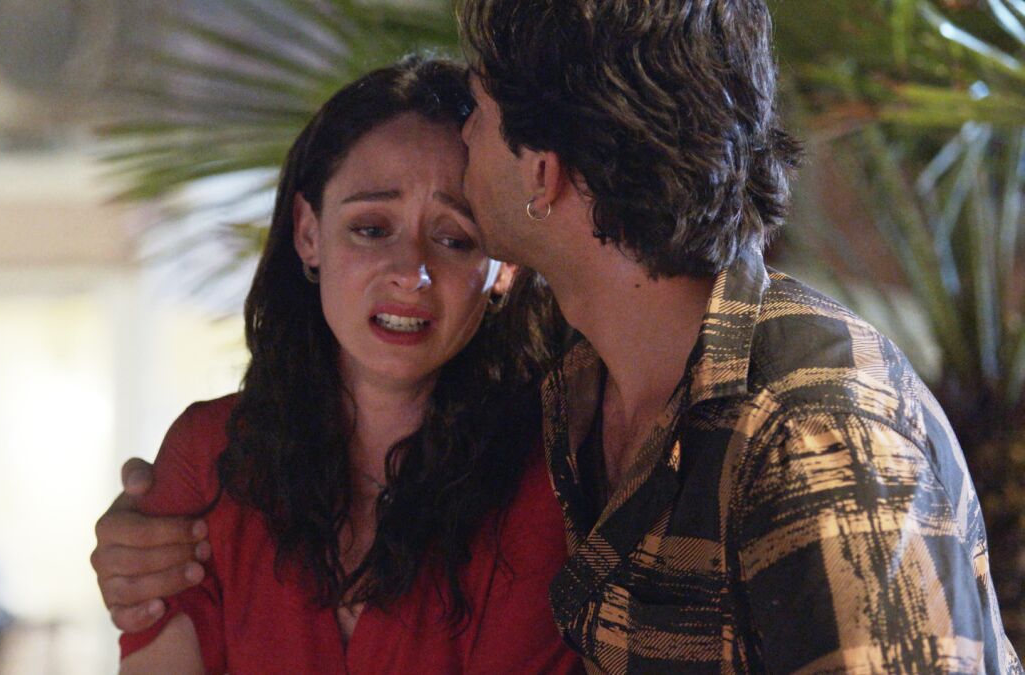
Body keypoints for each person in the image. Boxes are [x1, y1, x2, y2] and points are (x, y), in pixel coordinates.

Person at [94, 2, 1024, 673]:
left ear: (541, 172)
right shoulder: (578, 400)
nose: (462, 138)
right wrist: (144, 534)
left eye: (478, 113)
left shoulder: (814, 426)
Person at [107, 56, 580, 673]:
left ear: (504, 268)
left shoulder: (550, 477)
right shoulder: (208, 456)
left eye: (454, 238)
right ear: (309, 233)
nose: (411, 272)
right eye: (371, 228)